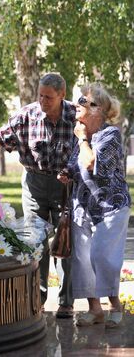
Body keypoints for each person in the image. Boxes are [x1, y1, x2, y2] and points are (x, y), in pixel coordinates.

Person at [0, 72, 76, 317]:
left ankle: (66, 302)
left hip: (65, 187)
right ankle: (39, 298)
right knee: (36, 242)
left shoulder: (76, 116)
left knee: (64, 243)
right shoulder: (27, 115)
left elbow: (91, 140)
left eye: (49, 97)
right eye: (40, 96)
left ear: (62, 95)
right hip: (34, 184)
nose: (43, 101)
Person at [58, 83, 131, 327]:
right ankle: (94, 309)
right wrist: (66, 173)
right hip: (83, 206)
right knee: (82, 259)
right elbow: (74, 163)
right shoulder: (81, 134)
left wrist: (81, 141)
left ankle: (115, 306)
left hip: (111, 206)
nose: (77, 105)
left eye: (83, 101)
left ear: (97, 110)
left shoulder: (110, 135)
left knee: (103, 257)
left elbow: (90, 163)